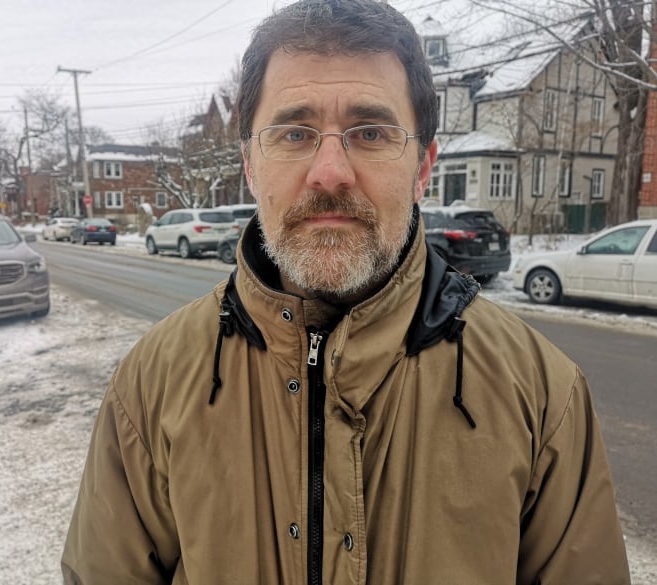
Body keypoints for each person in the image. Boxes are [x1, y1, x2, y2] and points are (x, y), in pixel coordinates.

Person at [62, 1, 631, 583]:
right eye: (293, 132)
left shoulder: (540, 392)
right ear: (251, 166)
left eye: (371, 132)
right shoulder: (153, 382)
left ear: (423, 167)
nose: (330, 171)